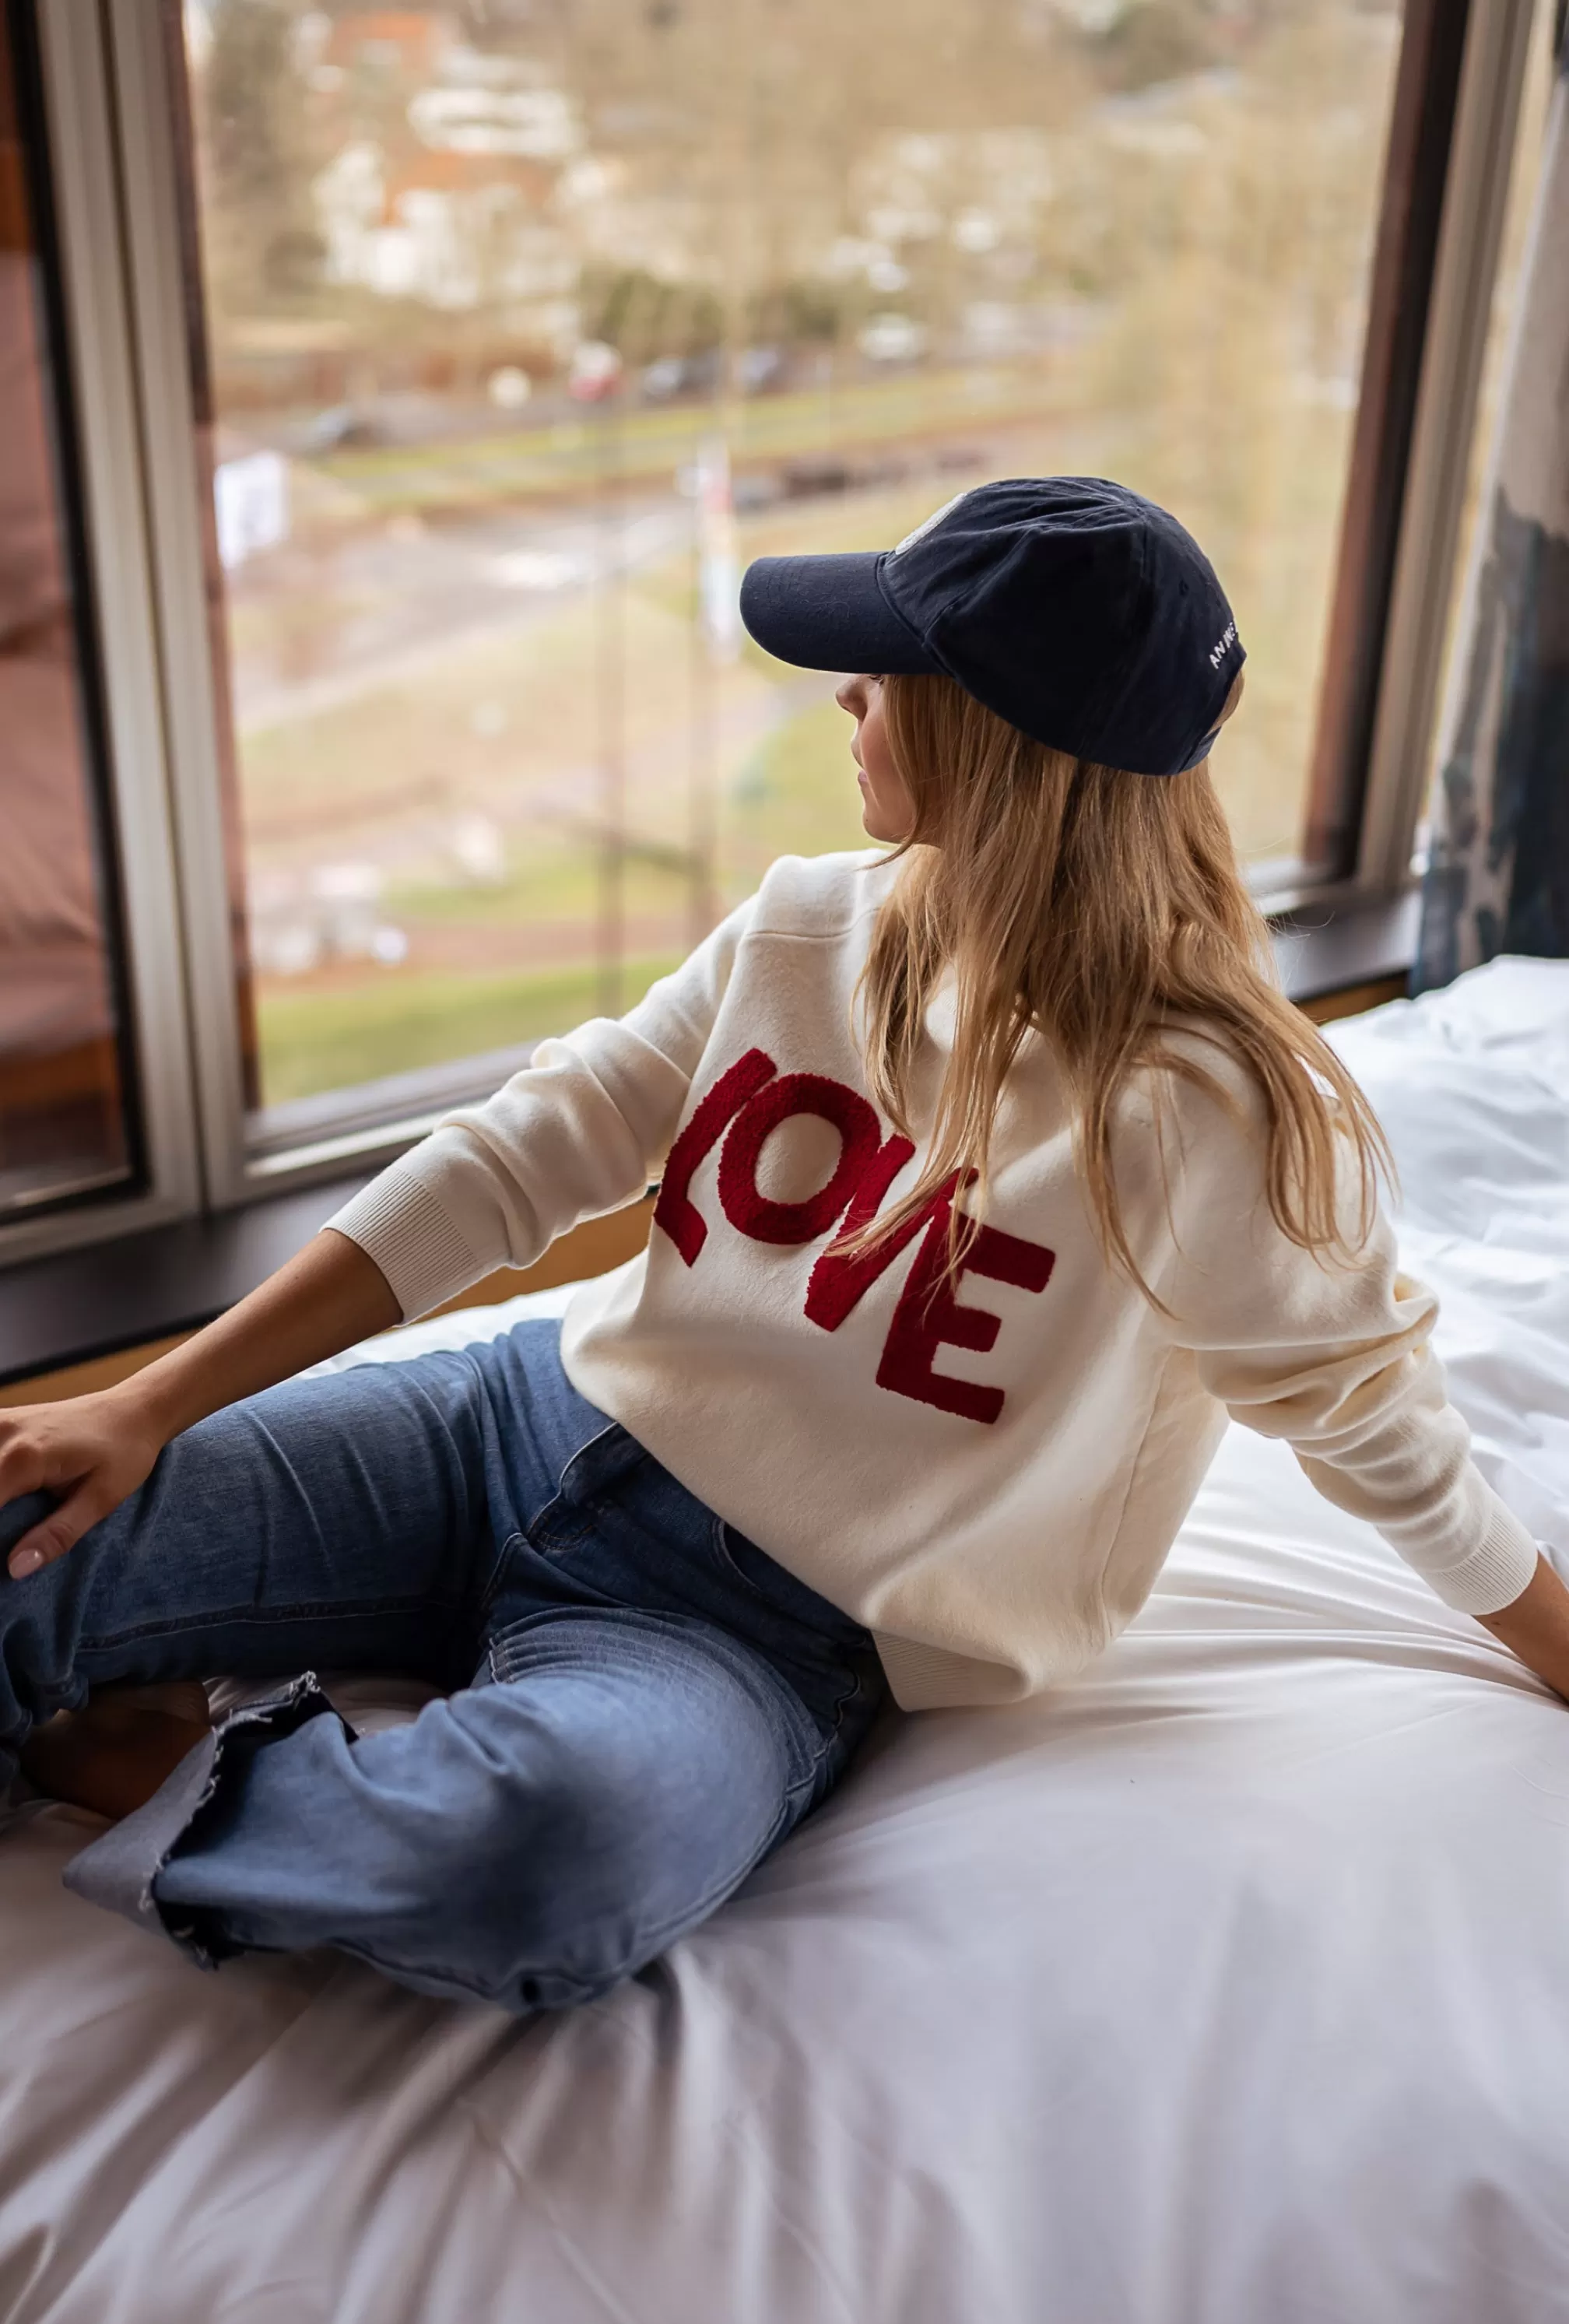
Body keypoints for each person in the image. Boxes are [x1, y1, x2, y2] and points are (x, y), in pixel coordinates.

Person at [2, 478, 1566, 2017]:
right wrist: (147, 1402)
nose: (846, 696)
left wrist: (1554, 1639)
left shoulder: (1223, 1119)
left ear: (992, 741)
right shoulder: (812, 921)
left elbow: (1374, 1420)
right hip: (516, 1424)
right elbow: (523, 1151)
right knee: (30, 1514)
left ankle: (164, 1771)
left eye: (885, 673)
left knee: (551, 1863)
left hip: (748, 1633)